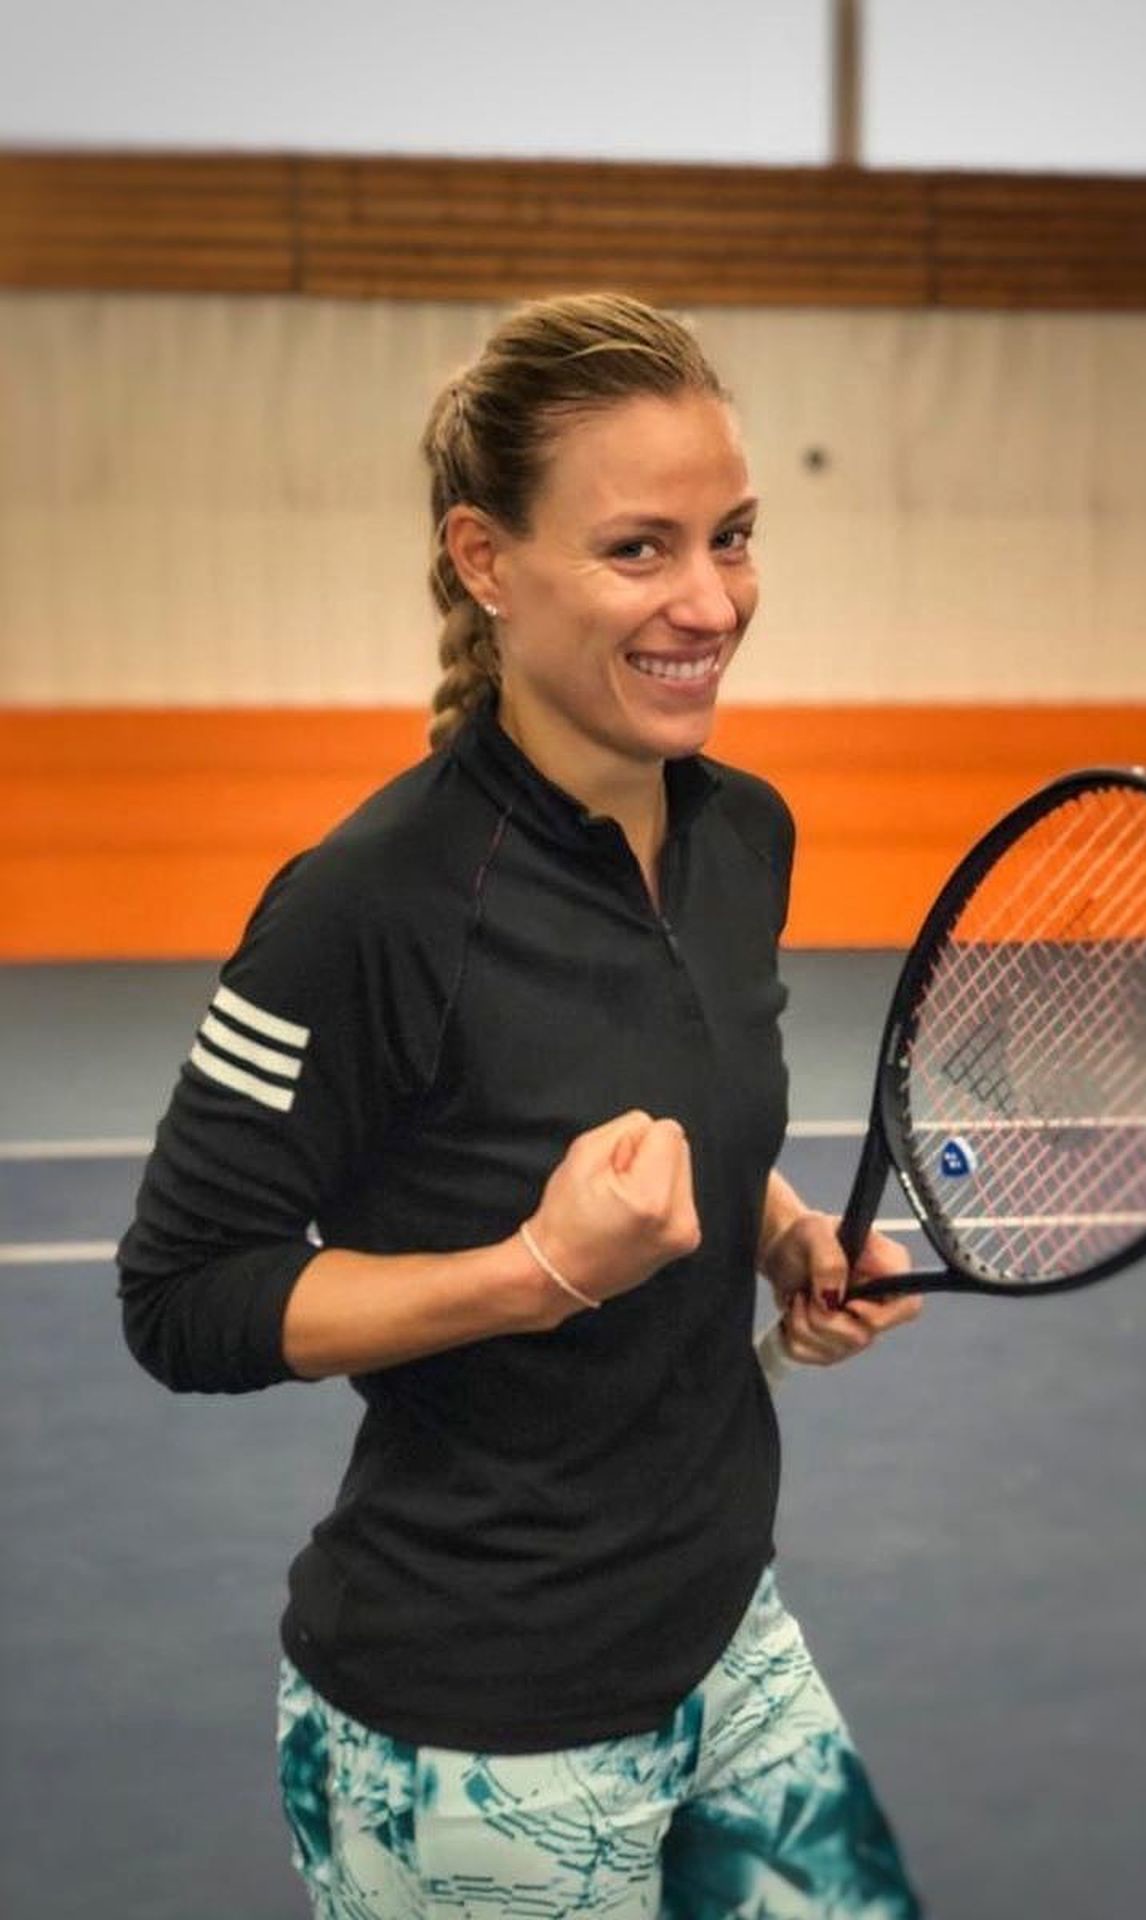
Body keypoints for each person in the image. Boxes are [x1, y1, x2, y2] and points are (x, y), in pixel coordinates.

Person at [117, 292, 926, 1918]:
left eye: (733, 537)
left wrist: (778, 1231)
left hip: (726, 1644)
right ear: (486, 560)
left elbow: (678, 1092)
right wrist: (535, 1272)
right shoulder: (369, 905)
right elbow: (182, 1298)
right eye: (639, 550)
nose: (711, 600)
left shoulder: (743, 838)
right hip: (471, 1738)